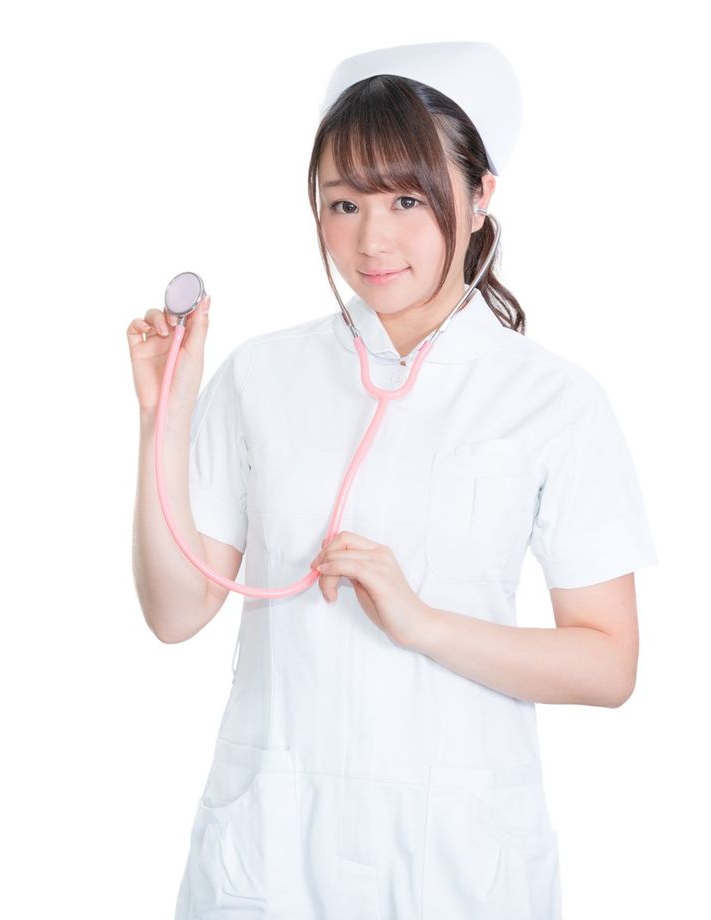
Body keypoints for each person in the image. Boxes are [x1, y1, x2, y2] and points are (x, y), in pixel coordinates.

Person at [127, 42, 658, 920]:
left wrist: (423, 624)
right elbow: (176, 613)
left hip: (456, 857)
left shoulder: (554, 401)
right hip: (271, 848)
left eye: (408, 199)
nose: (372, 240)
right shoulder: (261, 375)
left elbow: (609, 664)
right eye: (344, 203)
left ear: (480, 197)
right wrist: (163, 417)